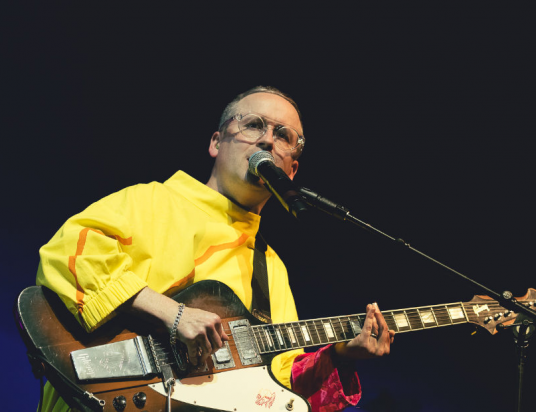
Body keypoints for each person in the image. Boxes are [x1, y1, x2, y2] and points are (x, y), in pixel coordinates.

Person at [36, 86, 395, 411]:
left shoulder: (272, 269)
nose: (268, 140)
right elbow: (69, 255)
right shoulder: (153, 200)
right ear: (216, 142)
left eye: (283, 135)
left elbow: (279, 381)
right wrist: (172, 314)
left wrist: (342, 353)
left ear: (292, 169)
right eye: (254, 125)